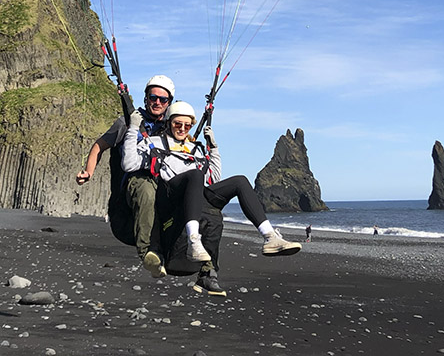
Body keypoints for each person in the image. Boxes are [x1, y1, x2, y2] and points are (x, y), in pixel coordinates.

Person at [123, 100, 301, 295]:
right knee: (195, 175)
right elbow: (129, 164)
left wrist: (213, 148)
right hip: (170, 200)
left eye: (187, 125)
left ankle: (270, 237)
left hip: (193, 196)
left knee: (239, 181)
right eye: (177, 124)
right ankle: (193, 240)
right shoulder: (154, 142)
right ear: (168, 123)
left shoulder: (194, 148)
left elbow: (214, 178)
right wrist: (133, 129)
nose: (182, 129)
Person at [76, 74, 176, 278]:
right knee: (145, 187)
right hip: (129, 196)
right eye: (153, 97)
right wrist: (89, 171)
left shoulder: (171, 127)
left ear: (169, 103)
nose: (157, 102)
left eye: (162, 99)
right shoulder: (127, 122)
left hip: (161, 191)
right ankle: (147, 252)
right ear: (146, 98)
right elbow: (99, 146)